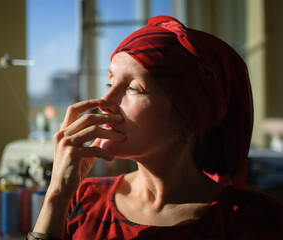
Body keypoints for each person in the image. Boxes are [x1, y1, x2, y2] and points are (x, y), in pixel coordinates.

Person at [27, 16, 283, 240]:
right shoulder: (83, 198)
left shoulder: (250, 220)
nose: (105, 103)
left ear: (189, 119)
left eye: (133, 88)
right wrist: (56, 193)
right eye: (109, 83)